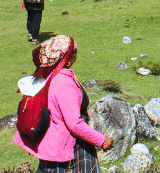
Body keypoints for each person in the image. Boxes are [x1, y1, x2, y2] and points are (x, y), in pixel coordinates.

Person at [13, 35, 114, 173]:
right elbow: (74, 124)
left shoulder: (47, 75)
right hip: (64, 149)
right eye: (74, 53)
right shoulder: (64, 83)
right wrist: (102, 140)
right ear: (67, 58)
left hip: (50, 144)